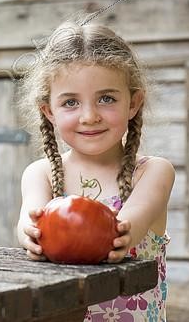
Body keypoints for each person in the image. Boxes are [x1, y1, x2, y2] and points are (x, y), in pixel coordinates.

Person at [16, 17, 175, 322]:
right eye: (70, 102)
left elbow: (121, 233)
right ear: (49, 111)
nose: (89, 116)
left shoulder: (153, 173)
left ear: (134, 103)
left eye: (106, 98)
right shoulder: (41, 174)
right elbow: (30, 224)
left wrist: (94, 233)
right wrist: (30, 234)